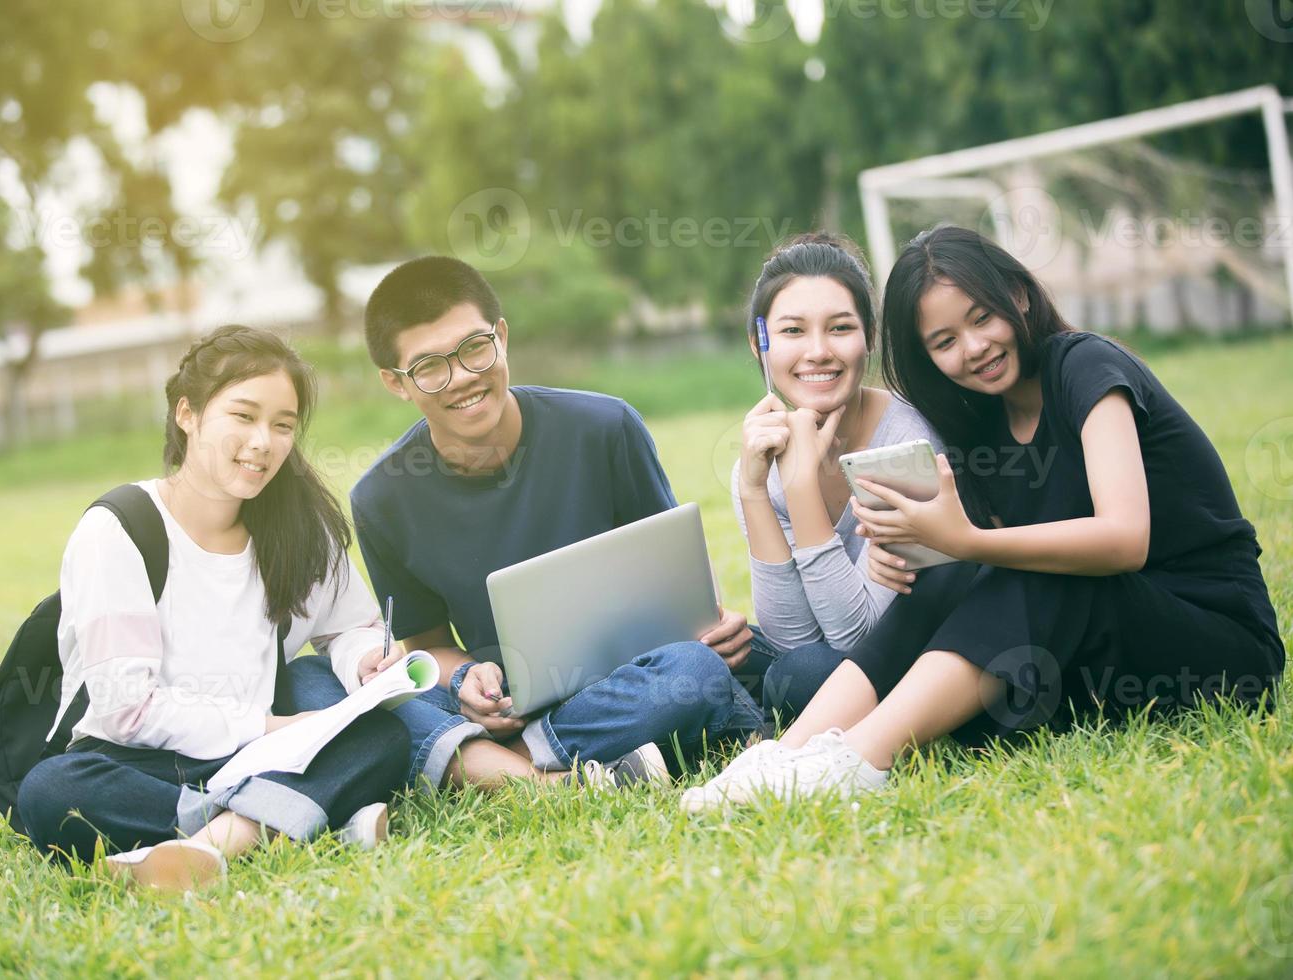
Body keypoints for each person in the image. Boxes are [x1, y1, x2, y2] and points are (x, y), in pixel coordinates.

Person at [684, 225, 1285, 812]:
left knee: (1018, 562)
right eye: (943, 342)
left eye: (981, 318)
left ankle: (859, 761)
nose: (972, 348)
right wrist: (929, 548)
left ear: (1018, 297)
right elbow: (961, 582)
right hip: (1097, 657)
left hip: (1213, 643)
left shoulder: (1084, 368)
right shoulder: (979, 422)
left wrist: (969, 539)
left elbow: (1125, 539)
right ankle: (784, 756)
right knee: (950, 573)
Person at [349, 256, 766, 792]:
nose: (463, 379)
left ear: (501, 336)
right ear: (396, 382)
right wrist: (460, 680)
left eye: (475, 348)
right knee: (390, 704)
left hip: (639, 674)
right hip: (508, 705)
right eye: (429, 366)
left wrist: (712, 625)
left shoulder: (605, 427)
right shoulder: (381, 498)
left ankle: (516, 764)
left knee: (704, 670)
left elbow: (677, 574)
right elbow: (427, 645)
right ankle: (584, 757)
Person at [17, 325, 410, 890]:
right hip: (144, 761)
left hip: (264, 754)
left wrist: (367, 659)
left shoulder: (301, 530)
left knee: (382, 739)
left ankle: (203, 851)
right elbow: (127, 709)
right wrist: (271, 726)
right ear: (188, 413)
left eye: (282, 426)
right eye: (243, 416)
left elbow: (351, 627)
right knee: (52, 793)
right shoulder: (121, 529)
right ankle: (294, 825)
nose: (263, 442)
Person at [731, 232, 941, 726]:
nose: (819, 351)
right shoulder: (761, 456)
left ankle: (749, 726)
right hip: (812, 658)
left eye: (840, 328)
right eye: (792, 331)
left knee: (804, 676)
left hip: (899, 660)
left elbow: (855, 643)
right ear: (759, 345)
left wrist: (802, 489)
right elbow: (791, 639)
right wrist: (753, 491)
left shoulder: (905, 448)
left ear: (869, 335)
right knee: (718, 658)